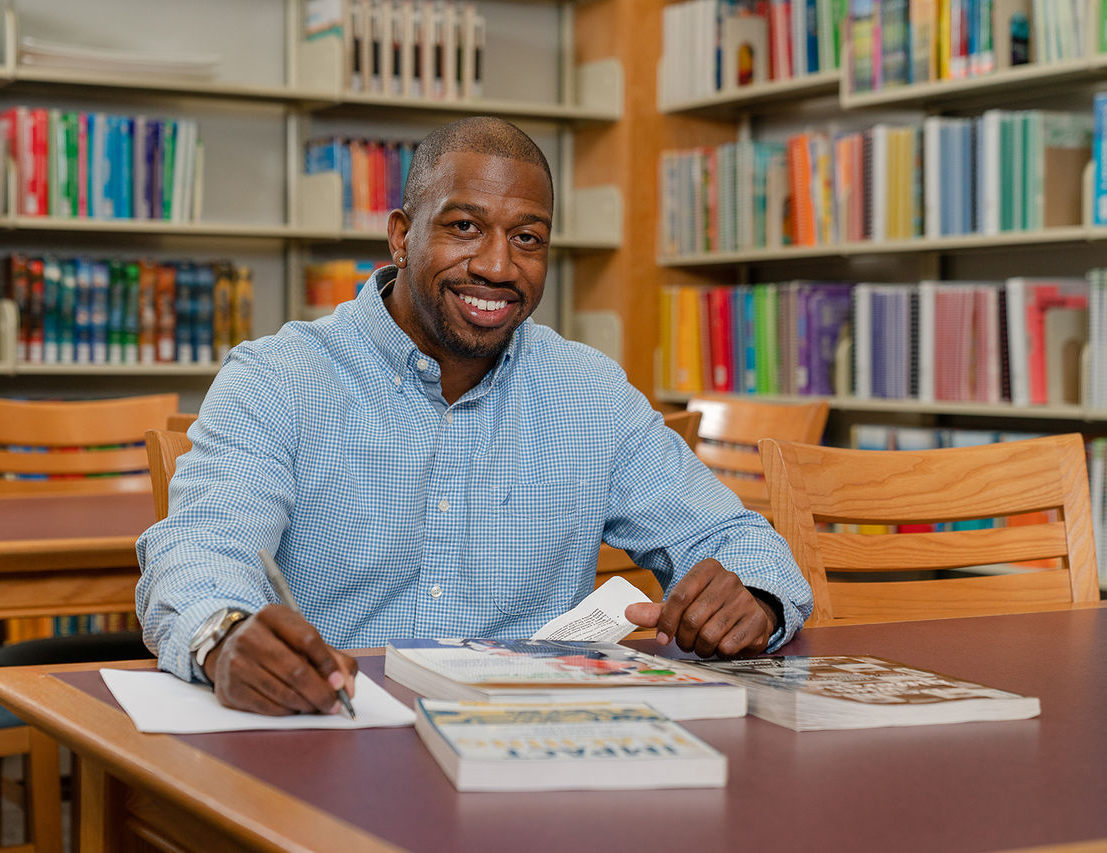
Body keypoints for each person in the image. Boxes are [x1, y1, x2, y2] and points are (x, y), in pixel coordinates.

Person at [136, 116, 813, 716]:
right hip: (335, 736)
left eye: (528, 237)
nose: (496, 264)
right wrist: (219, 635)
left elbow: (737, 538)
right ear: (401, 235)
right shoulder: (279, 379)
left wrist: (752, 599)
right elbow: (199, 549)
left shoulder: (589, 392)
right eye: (464, 226)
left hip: (534, 751)